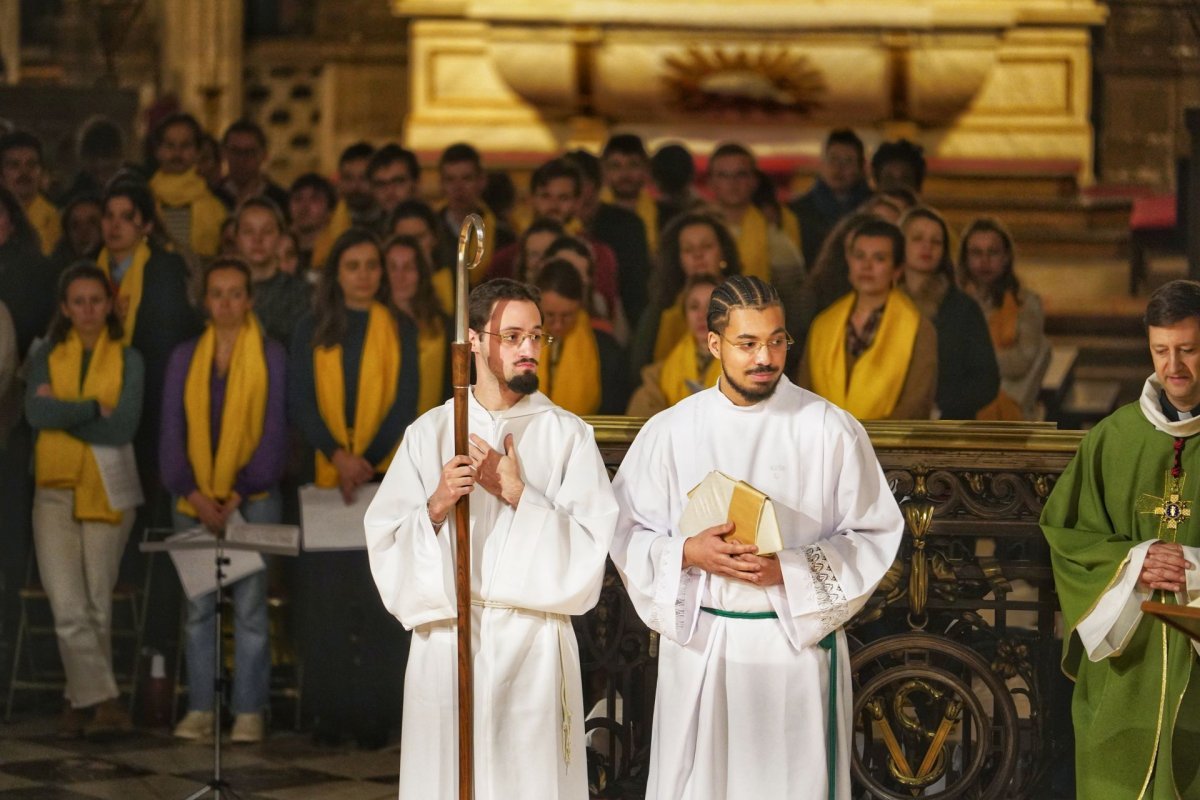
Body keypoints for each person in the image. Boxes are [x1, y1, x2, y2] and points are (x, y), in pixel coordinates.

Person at [610, 274, 904, 799]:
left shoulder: (827, 427)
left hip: (791, 649)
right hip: (703, 644)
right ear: (714, 343)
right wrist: (686, 552)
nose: (764, 357)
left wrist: (786, 571)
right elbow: (626, 530)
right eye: (747, 344)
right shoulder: (672, 430)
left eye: (776, 340)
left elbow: (873, 533)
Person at [364, 278, 618, 799]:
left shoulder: (567, 434)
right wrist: (434, 508)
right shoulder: (430, 433)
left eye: (536, 337)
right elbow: (385, 543)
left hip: (534, 646)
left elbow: (592, 554)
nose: (528, 350)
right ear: (474, 342)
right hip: (448, 640)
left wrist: (520, 494)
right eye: (512, 336)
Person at [1041, 279, 1200, 799]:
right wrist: (1137, 560)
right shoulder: (1113, 437)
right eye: (1161, 351)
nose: (1173, 366)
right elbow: (1069, 538)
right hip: (1124, 666)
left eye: (1189, 350)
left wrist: (1192, 569)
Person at [288, 228, 418, 748]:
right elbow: (300, 400)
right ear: (335, 274)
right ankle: (328, 713)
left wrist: (363, 461)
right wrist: (337, 455)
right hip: (325, 482)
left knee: (378, 603)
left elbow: (405, 400)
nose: (365, 275)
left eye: (372, 265)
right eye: (353, 265)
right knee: (325, 606)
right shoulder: (310, 326)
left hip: (382, 483)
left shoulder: (400, 327)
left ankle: (375, 714)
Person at [161, 258, 287, 745]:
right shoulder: (184, 356)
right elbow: (171, 434)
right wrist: (193, 492)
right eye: (218, 293)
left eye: (237, 293)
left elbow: (275, 432)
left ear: (250, 299)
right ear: (205, 300)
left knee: (251, 610)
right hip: (193, 500)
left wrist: (235, 495)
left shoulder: (271, 354)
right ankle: (199, 709)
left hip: (252, 498)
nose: (227, 302)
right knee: (198, 610)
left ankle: (249, 710)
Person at [26, 262, 145, 738]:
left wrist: (63, 411)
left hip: (109, 487)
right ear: (64, 307)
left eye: (96, 300)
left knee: (97, 600)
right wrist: (93, 406)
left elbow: (124, 428)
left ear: (110, 304)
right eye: (78, 301)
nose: (88, 309)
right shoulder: (46, 353)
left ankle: (79, 701)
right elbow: (36, 412)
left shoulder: (129, 358)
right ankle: (106, 700)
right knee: (68, 604)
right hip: (53, 489)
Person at [96, 179, 200, 473]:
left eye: (127, 217)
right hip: (97, 401)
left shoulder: (164, 268)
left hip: (151, 400)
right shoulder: (88, 270)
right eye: (109, 216)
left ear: (147, 226)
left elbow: (170, 342)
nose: (115, 225)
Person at [798, 218, 937, 420]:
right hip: (825, 443)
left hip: (888, 446)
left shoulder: (918, 328)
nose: (866, 266)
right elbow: (805, 393)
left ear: (897, 269)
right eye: (859, 256)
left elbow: (916, 404)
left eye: (879, 258)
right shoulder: (824, 323)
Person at [900, 206, 999, 420]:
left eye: (936, 241)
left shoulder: (963, 309)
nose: (927, 246)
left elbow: (986, 380)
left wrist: (942, 408)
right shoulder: (883, 304)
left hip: (947, 426)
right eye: (918, 238)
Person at [958, 217, 1048, 420]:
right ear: (965, 258)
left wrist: (971, 358)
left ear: (1006, 257)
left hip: (1011, 397)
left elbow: (1021, 362)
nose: (984, 261)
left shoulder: (1026, 303)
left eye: (993, 252)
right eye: (976, 253)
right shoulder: (953, 303)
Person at [631, 211, 740, 374]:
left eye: (706, 247)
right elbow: (639, 370)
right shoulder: (660, 311)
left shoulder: (748, 304)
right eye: (688, 250)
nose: (698, 255)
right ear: (678, 259)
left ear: (723, 252)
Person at [533, 258, 628, 415]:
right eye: (550, 315)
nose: (558, 324)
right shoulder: (521, 344)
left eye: (567, 316)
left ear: (580, 306)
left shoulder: (606, 350)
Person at [626, 273, 720, 416]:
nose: (702, 315)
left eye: (711, 306)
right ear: (685, 315)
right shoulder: (659, 375)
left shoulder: (744, 364)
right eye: (694, 307)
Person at [706, 142, 801, 282]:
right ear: (711, 182)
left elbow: (793, 290)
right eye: (723, 175)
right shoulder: (694, 226)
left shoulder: (776, 227)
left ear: (754, 181)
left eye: (741, 174)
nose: (732, 183)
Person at [383, 234, 451, 415]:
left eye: (409, 267)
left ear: (421, 273)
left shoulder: (443, 325)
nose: (400, 276)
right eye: (392, 267)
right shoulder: (371, 323)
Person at [233, 197, 311, 347]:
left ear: (280, 237)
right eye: (248, 231)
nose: (258, 239)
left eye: (267, 231)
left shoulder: (301, 294)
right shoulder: (220, 291)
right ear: (236, 238)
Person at [146, 113, 227, 259]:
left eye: (185, 145)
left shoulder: (216, 210)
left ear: (197, 152)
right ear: (158, 151)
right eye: (170, 145)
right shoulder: (143, 201)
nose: (177, 153)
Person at [789, 129, 873, 268]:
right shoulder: (798, 211)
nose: (839, 168)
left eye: (848, 161)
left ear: (861, 167)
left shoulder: (873, 207)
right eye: (833, 159)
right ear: (822, 163)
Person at [434, 143, 515, 282]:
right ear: (441, 184)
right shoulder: (430, 231)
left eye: (466, 178)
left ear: (481, 181)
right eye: (450, 180)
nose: (458, 188)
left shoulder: (502, 236)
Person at [0, 130, 61, 255]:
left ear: (41, 171)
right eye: (14, 165)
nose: (24, 173)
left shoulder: (57, 221)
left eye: (31, 164)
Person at [217, 119, 290, 211]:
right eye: (235, 151)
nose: (242, 159)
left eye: (249, 152)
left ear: (264, 155)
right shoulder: (213, 198)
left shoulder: (281, 200)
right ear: (224, 153)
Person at [288, 171, 339, 275]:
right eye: (298, 199)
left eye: (315, 199)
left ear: (330, 211)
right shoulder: (276, 249)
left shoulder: (337, 252)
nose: (304, 207)